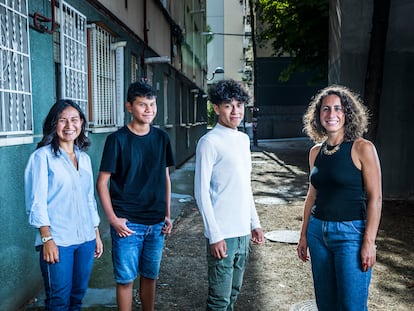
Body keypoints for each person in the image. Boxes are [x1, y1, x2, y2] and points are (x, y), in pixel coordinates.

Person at [297, 85, 382, 310]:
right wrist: (304, 234)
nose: (331, 114)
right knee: (326, 305)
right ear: (318, 115)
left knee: (351, 306)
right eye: (326, 109)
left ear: (347, 114)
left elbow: (376, 198)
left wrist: (369, 242)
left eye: (338, 108)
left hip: (351, 235)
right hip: (317, 233)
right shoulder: (316, 152)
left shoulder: (363, 148)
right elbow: (312, 194)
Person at [96, 81, 175, 311]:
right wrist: (113, 219)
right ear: (129, 106)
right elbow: (102, 182)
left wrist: (167, 214)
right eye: (142, 104)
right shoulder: (117, 139)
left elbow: (165, 178)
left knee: (150, 276)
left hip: (157, 223)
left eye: (152, 104)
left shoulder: (161, 138)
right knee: (125, 279)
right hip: (127, 224)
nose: (149, 109)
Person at [25, 99, 103, 310]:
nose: (69, 126)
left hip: (85, 239)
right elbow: (36, 202)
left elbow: (89, 199)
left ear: (82, 123)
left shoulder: (84, 158)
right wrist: (47, 239)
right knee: (58, 300)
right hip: (58, 240)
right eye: (62, 120)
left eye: (74, 120)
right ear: (54, 124)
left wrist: (95, 232)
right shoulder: (42, 157)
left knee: (77, 298)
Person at [194, 79, 264, 310]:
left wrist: (254, 222)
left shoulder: (243, 140)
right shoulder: (209, 142)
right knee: (219, 300)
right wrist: (214, 234)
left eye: (239, 105)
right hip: (223, 233)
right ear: (216, 108)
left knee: (233, 295)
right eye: (228, 105)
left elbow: (245, 185)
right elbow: (200, 192)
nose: (236, 111)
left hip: (243, 232)